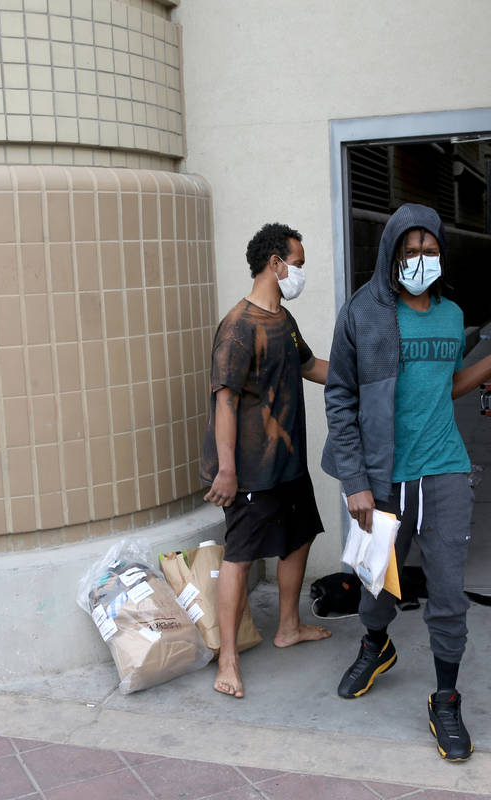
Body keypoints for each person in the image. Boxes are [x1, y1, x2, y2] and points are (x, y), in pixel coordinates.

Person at [322, 203, 491, 762]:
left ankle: (447, 698)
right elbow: (340, 394)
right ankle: (375, 644)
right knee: (378, 588)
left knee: (448, 593)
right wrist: (356, 481)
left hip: (446, 470)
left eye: (430, 250)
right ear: (392, 255)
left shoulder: (452, 315)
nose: (421, 260)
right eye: (410, 252)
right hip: (383, 479)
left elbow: (449, 383)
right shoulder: (364, 313)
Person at [201, 222, 332, 699]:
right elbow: (225, 402)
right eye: (297, 264)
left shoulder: (283, 321)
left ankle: (289, 626)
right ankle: (229, 659)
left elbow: (309, 365)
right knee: (239, 557)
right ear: (275, 265)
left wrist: (360, 379)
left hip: (288, 463)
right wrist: (228, 470)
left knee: (298, 540)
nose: (300, 273)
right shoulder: (238, 327)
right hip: (251, 470)